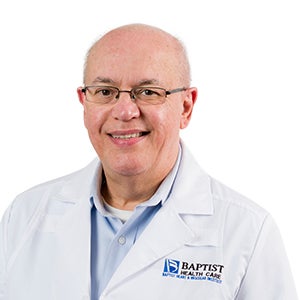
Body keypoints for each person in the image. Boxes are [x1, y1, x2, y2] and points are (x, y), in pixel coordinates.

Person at [0, 23, 298, 300]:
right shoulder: (24, 216)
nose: (125, 111)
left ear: (186, 106)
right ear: (84, 102)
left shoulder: (247, 232)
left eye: (148, 92)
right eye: (105, 92)